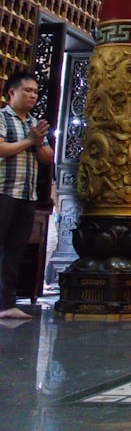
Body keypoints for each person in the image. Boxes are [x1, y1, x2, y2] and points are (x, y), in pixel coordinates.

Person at [0, 71, 53, 320]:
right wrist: (29, 140)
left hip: (26, 194)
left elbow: (47, 157)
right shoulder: (3, 117)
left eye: (35, 91)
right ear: (12, 93)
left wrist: (38, 141)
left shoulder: (34, 123)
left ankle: (6, 304)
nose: (32, 95)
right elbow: (1, 149)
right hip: (3, 191)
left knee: (14, 250)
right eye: (27, 91)